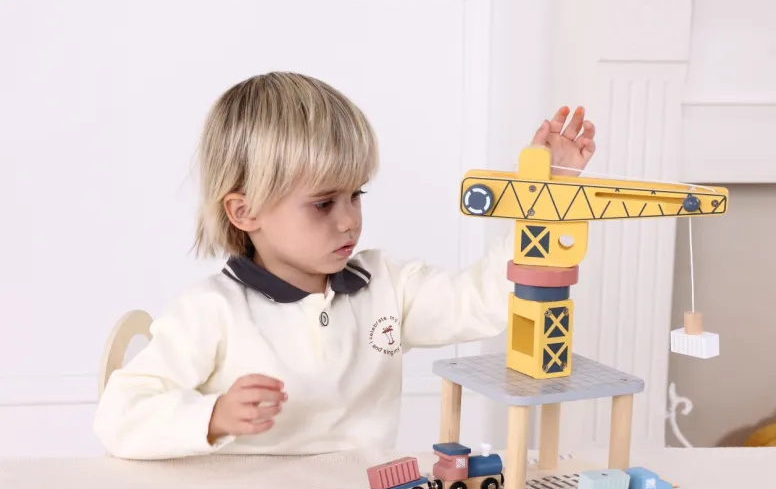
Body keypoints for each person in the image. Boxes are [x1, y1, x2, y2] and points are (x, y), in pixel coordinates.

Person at [93, 72, 596, 460]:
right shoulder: (212, 310)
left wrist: (549, 196)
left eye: (356, 195)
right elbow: (119, 417)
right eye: (323, 204)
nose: (349, 220)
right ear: (244, 212)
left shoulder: (387, 286)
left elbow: (483, 300)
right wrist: (213, 416)